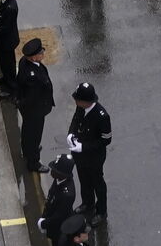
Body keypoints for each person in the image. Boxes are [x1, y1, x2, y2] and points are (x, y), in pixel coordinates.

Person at [67, 81, 112, 222]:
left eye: (78, 100)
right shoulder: (81, 107)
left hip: (94, 158)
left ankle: (101, 212)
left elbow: (106, 140)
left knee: (98, 184)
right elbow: (76, 120)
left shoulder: (102, 116)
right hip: (80, 156)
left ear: (86, 102)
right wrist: (71, 134)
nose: (76, 102)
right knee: (84, 180)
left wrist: (83, 147)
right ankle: (88, 203)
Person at [14, 37, 55, 173]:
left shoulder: (24, 62)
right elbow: (32, 97)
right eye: (40, 53)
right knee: (34, 135)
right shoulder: (33, 77)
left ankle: (27, 150)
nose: (43, 53)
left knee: (27, 131)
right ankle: (33, 162)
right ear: (33, 57)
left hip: (27, 109)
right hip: (35, 111)